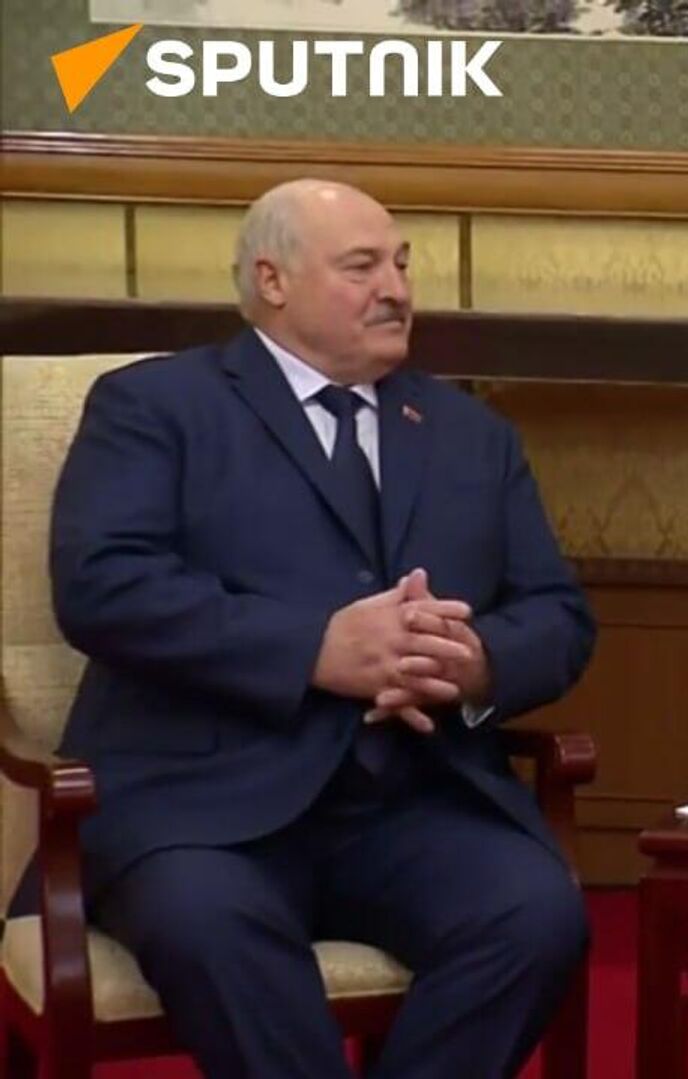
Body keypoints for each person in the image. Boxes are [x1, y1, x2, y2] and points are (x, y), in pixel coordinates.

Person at [43, 178, 597, 1078]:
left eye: (402, 265)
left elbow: (559, 616)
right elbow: (102, 585)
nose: (397, 289)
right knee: (211, 927)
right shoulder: (157, 406)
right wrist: (314, 649)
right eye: (362, 266)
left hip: (413, 802)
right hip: (203, 809)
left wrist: (476, 662)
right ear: (272, 280)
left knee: (535, 914)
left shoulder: (471, 434)